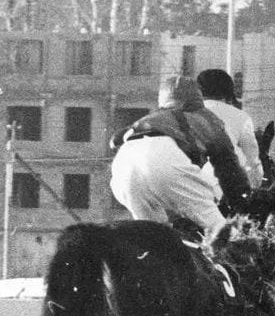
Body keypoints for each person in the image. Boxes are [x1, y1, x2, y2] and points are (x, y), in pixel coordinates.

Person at [109, 74, 253, 242]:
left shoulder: (150, 118)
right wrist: (242, 204)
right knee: (224, 233)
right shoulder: (207, 118)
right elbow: (229, 169)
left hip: (123, 167)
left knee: (157, 240)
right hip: (163, 159)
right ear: (197, 98)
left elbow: (114, 141)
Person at [196, 69, 264, 197]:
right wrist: (255, 184)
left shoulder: (186, 114)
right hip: (225, 188)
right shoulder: (241, 117)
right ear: (228, 91)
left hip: (188, 185)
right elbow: (251, 159)